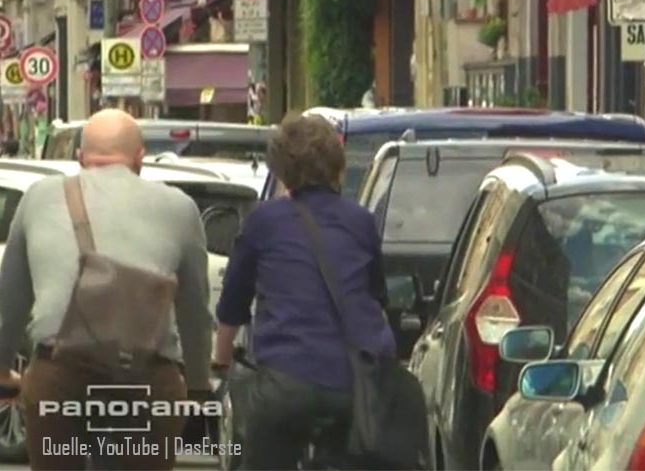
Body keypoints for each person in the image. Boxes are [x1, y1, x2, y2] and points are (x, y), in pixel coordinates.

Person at [0, 109, 212, 469]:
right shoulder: (181, 207)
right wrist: (196, 385)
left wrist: (3, 368)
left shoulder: (38, 197)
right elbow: (195, 310)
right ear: (140, 157)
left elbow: (10, 301)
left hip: (59, 374)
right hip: (147, 376)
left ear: (80, 157)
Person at [213, 115, 396, 470]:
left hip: (286, 384)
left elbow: (233, 306)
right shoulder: (360, 221)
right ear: (338, 166)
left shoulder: (263, 221)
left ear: (282, 170)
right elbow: (376, 298)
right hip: (355, 387)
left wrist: (220, 361)